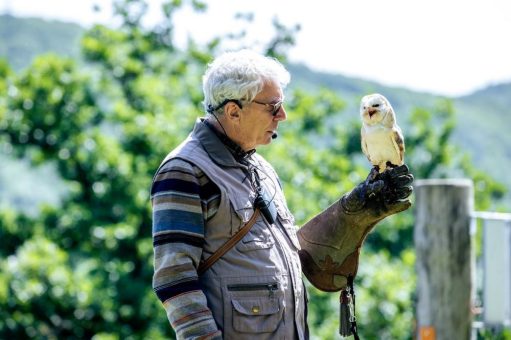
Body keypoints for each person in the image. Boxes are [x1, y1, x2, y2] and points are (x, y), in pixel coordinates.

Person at [150, 49, 413, 339]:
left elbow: (291, 258)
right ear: (233, 111)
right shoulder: (185, 170)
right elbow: (174, 278)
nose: (283, 116)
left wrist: (352, 215)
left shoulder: (263, 169)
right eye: (273, 106)